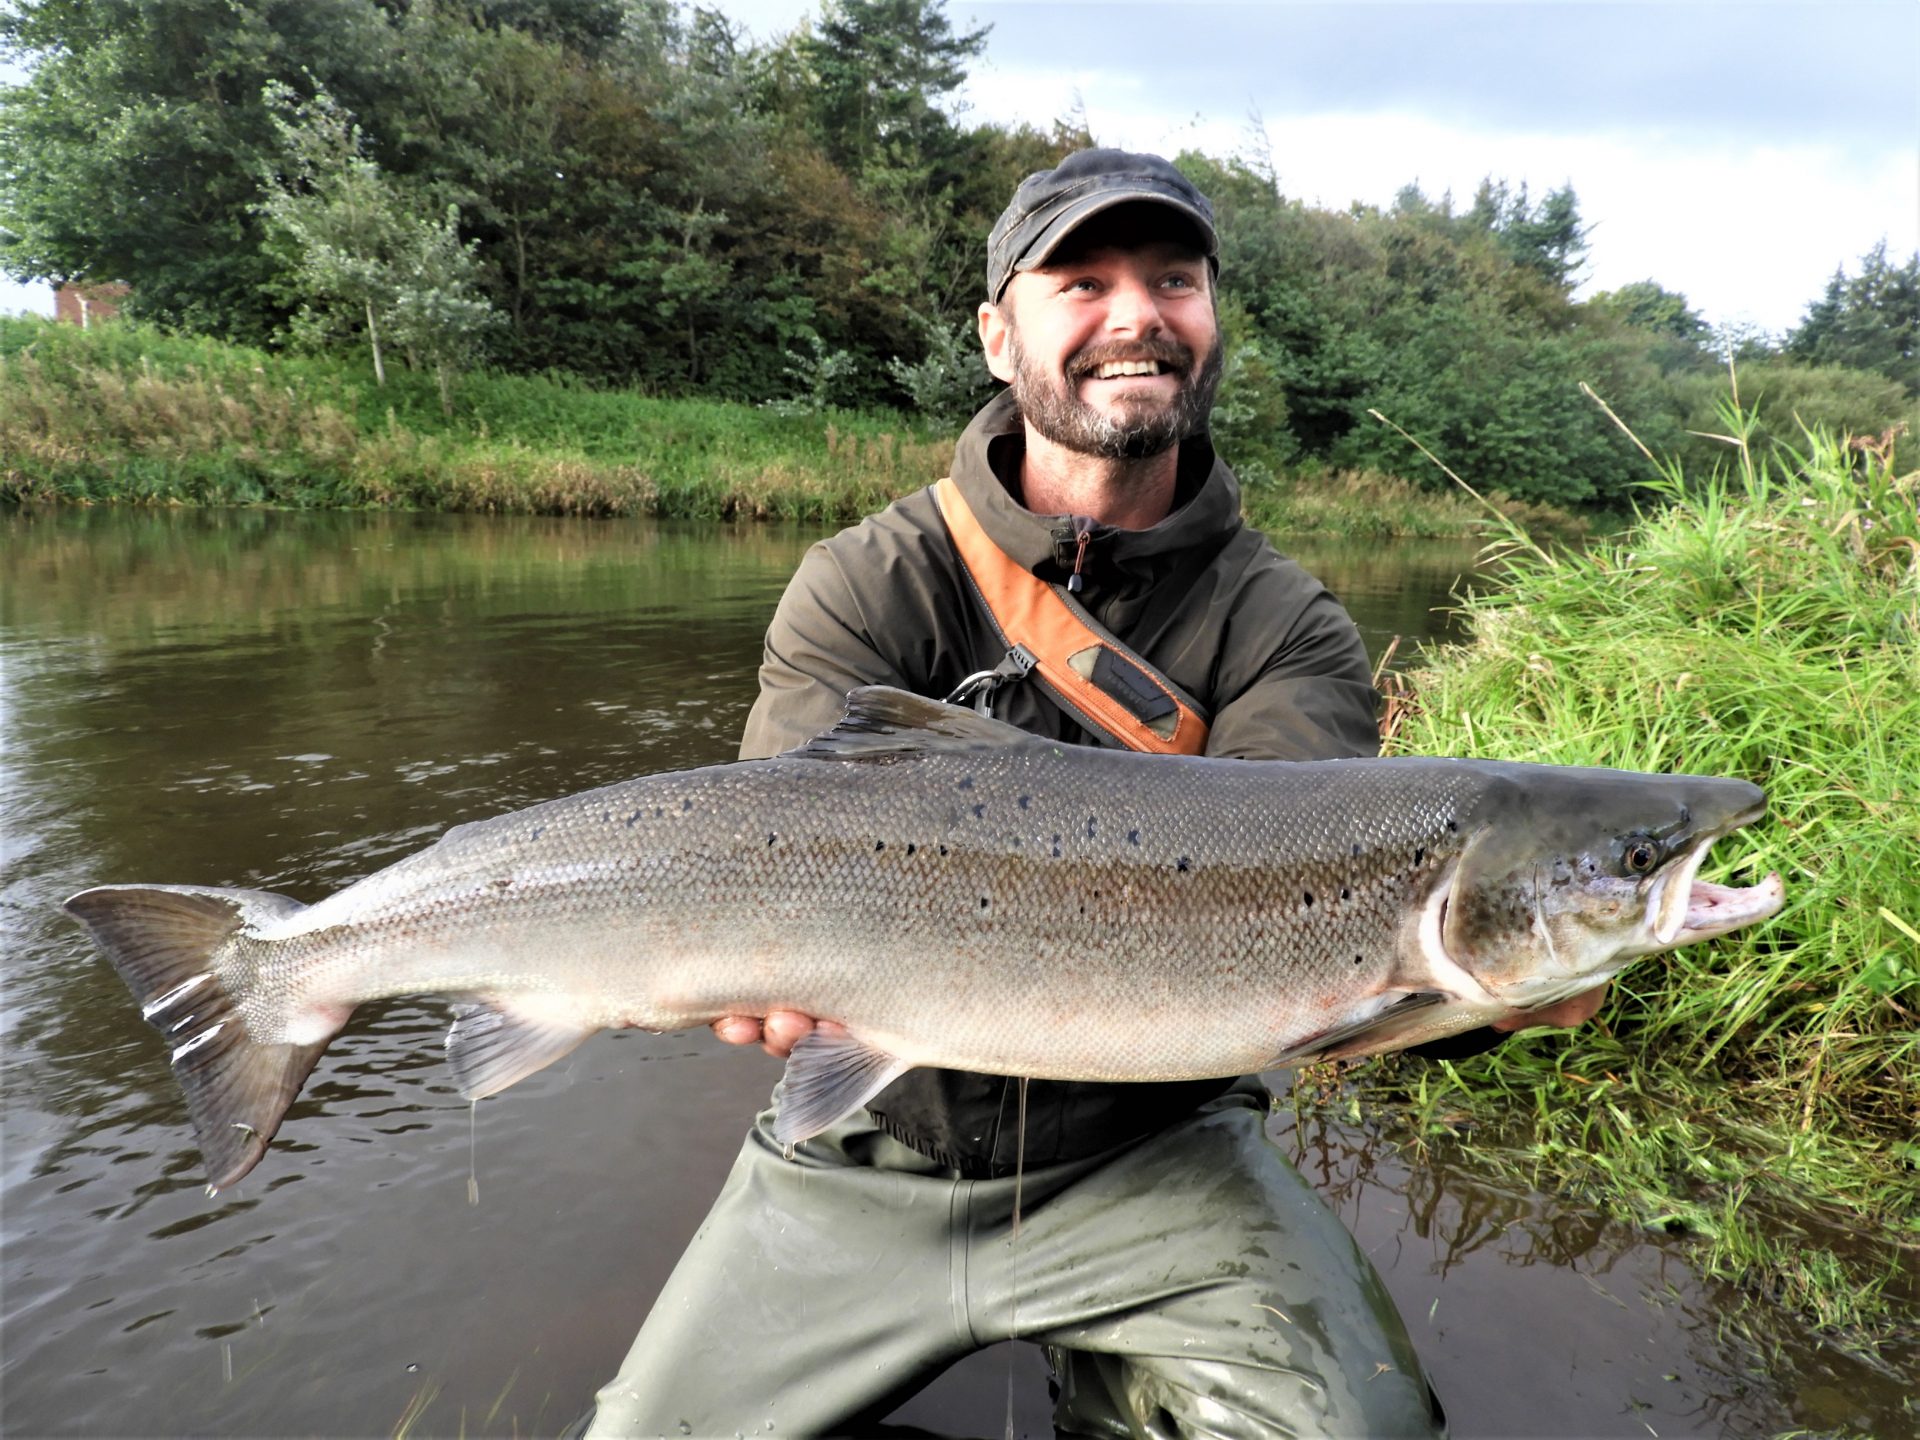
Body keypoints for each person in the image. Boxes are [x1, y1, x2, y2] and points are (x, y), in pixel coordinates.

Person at [584, 148, 1600, 1438]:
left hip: (1155, 1155)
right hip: (868, 1151)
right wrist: (739, 968)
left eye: (1174, 279)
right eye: (1083, 281)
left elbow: (1295, 876)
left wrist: (1485, 987)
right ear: (1000, 335)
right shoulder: (868, 581)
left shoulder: (1286, 624)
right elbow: (778, 839)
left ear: (1211, 321)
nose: (1137, 316)